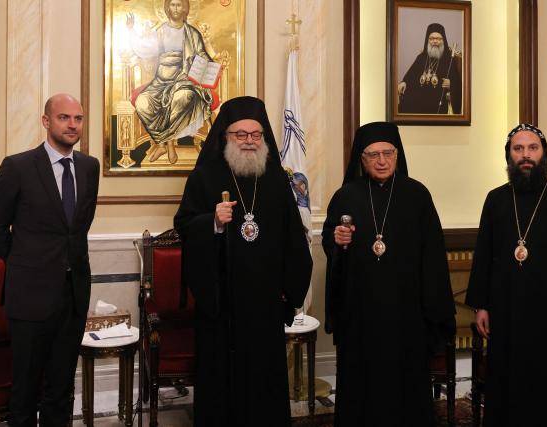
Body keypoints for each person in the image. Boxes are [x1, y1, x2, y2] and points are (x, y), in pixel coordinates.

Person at [174, 96, 312, 426]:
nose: (249, 142)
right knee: (222, 383)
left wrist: (290, 291)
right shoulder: (204, 177)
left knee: (264, 382)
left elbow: (295, 237)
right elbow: (183, 225)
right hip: (222, 304)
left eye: (256, 135)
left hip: (265, 304)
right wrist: (212, 221)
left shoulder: (277, 180)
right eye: (241, 135)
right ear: (226, 136)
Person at [322, 122, 456, 426]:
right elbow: (331, 239)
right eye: (373, 155)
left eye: (388, 153)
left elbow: (433, 255)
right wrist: (337, 240)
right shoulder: (346, 196)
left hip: (406, 314)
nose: (381, 161)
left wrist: (432, 309)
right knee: (362, 382)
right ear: (361, 158)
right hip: (361, 313)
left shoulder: (417, 195)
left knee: (405, 385)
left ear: (397, 155)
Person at [465, 123, 547, 427]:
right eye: (518, 149)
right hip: (507, 312)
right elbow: (484, 254)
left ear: (544, 154)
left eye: (533, 148)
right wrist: (481, 305)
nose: (526, 155)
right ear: (509, 156)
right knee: (509, 384)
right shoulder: (496, 199)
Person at [0, 93, 100, 426]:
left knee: (61, 388)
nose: (72, 125)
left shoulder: (89, 167)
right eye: (64, 117)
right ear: (46, 121)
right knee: (25, 389)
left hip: (72, 295)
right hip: (29, 296)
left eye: (78, 118)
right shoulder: (17, 166)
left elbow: (78, 227)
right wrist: (25, 264)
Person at [127, 0, 216, 164]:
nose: (175, 8)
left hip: (184, 81)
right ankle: (164, 145)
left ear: (185, 8)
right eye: (173, 5)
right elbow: (144, 48)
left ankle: (167, 146)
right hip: (161, 82)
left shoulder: (192, 33)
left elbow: (202, 55)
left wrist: (207, 66)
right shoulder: (160, 32)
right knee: (142, 102)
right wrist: (131, 30)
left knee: (181, 98)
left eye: (179, 5)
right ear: (167, 8)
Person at [398, 23, 461, 115]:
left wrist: (451, 84)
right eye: (432, 38)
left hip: (438, 99)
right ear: (427, 40)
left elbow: (458, 83)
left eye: (438, 39)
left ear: (443, 40)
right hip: (419, 98)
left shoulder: (449, 59)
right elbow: (411, 75)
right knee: (408, 102)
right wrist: (404, 82)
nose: (435, 41)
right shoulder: (421, 57)